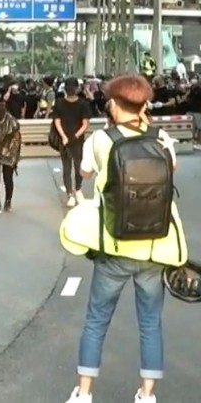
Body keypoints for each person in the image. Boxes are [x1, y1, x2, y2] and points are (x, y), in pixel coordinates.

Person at [61, 74, 188, 403]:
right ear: (145, 105)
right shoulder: (162, 139)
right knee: (150, 324)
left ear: (113, 105)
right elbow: (170, 170)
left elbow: (86, 172)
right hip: (155, 249)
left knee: (96, 320)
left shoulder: (102, 140)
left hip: (114, 246)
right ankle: (147, 395)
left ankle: (83, 394)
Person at [52, 78, 92, 208]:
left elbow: (57, 121)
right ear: (77, 88)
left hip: (65, 139)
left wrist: (63, 136)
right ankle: (76, 190)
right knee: (76, 166)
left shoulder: (59, 103)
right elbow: (86, 124)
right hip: (77, 139)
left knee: (67, 167)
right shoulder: (83, 104)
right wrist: (76, 135)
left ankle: (71, 193)